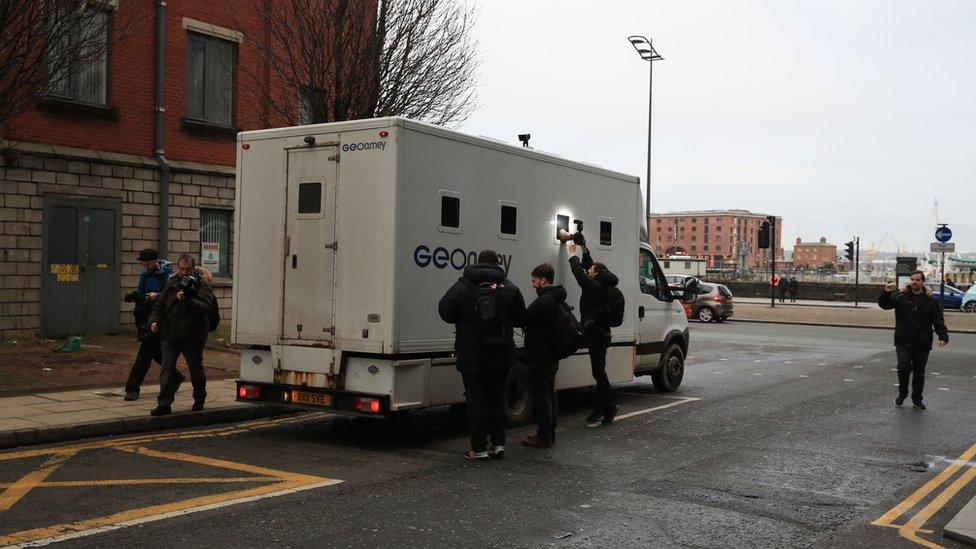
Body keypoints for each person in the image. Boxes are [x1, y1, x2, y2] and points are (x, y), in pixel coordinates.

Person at [439, 250, 525, 460]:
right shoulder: (510, 287)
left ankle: (479, 448)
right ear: (497, 263)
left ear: (477, 262)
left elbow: (445, 311)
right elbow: (522, 318)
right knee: (497, 398)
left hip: (472, 354)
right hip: (501, 354)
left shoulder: (463, 285)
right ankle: (499, 444)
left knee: (475, 400)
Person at [149, 254, 218, 416]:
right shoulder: (172, 282)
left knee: (196, 370)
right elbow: (159, 305)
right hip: (170, 334)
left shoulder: (202, 285)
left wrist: (187, 300)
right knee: (166, 370)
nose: (184, 272)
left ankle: (199, 397)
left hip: (193, 336)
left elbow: (205, 307)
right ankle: (164, 403)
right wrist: (154, 321)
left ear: (194, 268)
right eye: (181, 269)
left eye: (187, 269)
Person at [878, 270, 949, 410]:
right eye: (913, 279)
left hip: (922, 341)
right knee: (903, 367)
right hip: (903, 340)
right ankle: (902, 392)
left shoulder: (930, 301)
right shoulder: (900, 296)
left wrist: (943, 336)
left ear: (922, 282)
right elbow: (884, 305)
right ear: (910, 281)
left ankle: (917, 399)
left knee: (919, 373)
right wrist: (885, 292)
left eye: (918, 279)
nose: (915, 282)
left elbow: (938, 320)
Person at [568, 241, 619, 425]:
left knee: (599, 373)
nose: (588, 270)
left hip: (595, 335)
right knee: (599, 372)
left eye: (591, 270)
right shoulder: (603, 285)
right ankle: (604, 408)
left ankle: (607, 407)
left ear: (596, 273)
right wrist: (584, 249)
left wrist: (572, 255)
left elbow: (579, 274)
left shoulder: (594, 286)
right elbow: (588, 267)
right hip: (601, 333)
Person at [521, 263, 567, 449]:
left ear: (543, 280)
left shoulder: (544, 300)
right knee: (549, 394)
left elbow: (525, 317)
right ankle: (550, 432)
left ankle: (544, 436)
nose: (533, 284)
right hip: (551, 354)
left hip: (541, 354)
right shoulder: (556, 298)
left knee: (542, 396)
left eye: (534, 281)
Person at [122, 249, 173, 401]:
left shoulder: (167, 275)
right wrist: (136, 297)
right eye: (144, 264)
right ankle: (176, 376)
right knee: (153, 351)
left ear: (156, 261)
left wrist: (157, 295)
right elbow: (141, 292)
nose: (146, 267)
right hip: (146, 318)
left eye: (148, 264)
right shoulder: (145, 275)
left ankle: (132, 388)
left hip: (160, 318)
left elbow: (170, 294)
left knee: (144, 354)